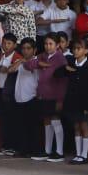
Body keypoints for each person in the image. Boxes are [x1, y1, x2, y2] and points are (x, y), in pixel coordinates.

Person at [24, 32, 68, 162]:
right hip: (43, 95)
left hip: (55, 96)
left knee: (56, 121)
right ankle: (47, 151)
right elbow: (28, 64)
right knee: (47, 122)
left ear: (57, 45)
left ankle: (59, 151)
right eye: (46, 44)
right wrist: (39, 64)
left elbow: (63, 81)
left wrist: (60, 99)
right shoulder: (43, 56)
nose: (48, 46)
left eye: (51, 44)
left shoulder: (60, 59)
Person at [61, 36, 88, 164]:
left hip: (85, 102)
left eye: (79, 49)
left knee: (84, 126)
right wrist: (66, 69)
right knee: (76, 127)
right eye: (74, 49)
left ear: (86, 51)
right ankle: (78, 154)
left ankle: (84, 155)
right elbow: (58, 73)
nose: (75, 51)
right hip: (73, 101)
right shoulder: (72, 63)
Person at [0, 34, 23, 156]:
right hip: (0, 90)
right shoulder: (0, 57)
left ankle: (12, 145)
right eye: (4, 43)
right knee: (3, 119)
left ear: (15, 45)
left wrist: (6, 69)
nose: (6, 45)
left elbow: (15, 71)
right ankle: (5, 145)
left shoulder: (17, 57)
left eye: (9, 43)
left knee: (11, 119)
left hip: (10, 93)